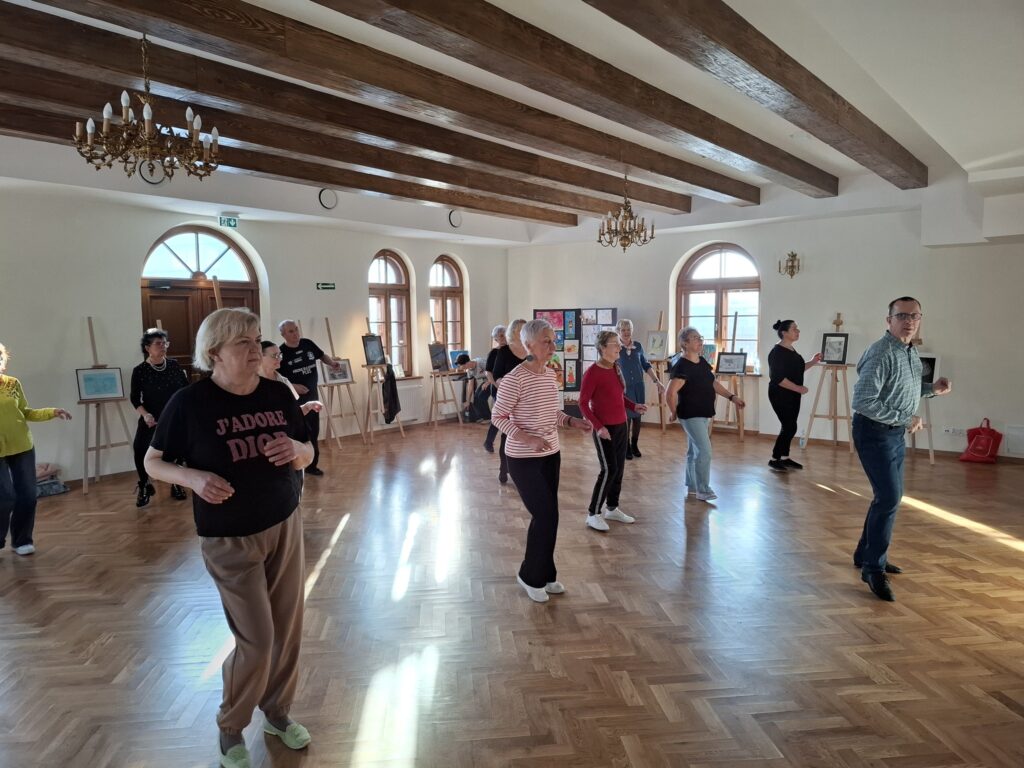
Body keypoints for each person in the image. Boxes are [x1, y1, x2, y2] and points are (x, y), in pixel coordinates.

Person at [144, 308, 314, 768]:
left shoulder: (277, 393)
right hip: (228, 537)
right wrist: (194, 478)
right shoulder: (190, 403)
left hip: (284, 523)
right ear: (214, 352)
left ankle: (277, 712)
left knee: (288, 631)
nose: (256, 350)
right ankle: (231, 725)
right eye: (244, 343)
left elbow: (307, 449)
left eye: (257, 340)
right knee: (257, 639)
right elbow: (152, 462)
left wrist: (298, 450)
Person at [851, 297, 952, 602]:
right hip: (874, 433)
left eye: (915, 316)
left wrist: (932, 390)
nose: (909, 321)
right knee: (889, 497)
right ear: (889, 320)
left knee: (886, 497)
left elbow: (903, 390)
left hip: (893, 433)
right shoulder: (881, 352)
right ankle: (873, 569)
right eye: (902, 316)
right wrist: (906, 419)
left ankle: (865, 555)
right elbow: (863, 402)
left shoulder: (909, 350)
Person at [491, 319, 592, 603]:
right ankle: (529, 576)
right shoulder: (514, 378)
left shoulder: (549, 374)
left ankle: (546, 574)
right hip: (523, 459)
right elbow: (497, 417)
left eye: (553, 340)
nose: (553, 345)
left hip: (551, 454)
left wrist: (571, 421)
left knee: (551, 516)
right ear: (528, 345)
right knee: (545, 515)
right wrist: (527, 438)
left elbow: (552, 413)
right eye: (546, 341)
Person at [0, 342, 71, 556]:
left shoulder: (13, 384)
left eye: (0, 358)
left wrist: (52, 412)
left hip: (22, 446)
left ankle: (21, 540)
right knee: (5, 497)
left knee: (28, 495)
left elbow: (26, 412)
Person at [664, 327, 745, 502]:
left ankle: (693, 486)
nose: (700, 340)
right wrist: (673, 411)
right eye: (695, 338)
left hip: (703, 412)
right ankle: (703, 489)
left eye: (700, 337)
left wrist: (732, 397)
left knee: (694, 451)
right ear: (685, 343)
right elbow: (670, 393)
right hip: (690, 414)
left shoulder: (701, 362)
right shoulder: (682, 366)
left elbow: (713, 383)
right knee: (705, 450)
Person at [580, 330, 647, 532]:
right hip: (605, 429)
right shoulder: (592, 372)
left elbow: (617, 396)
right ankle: (593, 514)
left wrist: (633, 406)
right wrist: (599, 427)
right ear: (602, 348)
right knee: (609, 469)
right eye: (615, 344)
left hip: (621, 425)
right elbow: (583, 403)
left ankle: (612, 508)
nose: (619, 347)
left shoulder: (615, 368)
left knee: (619, 469)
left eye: (619, 343)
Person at [129, 328, 190, 507]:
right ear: (147, 348)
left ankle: (176, 483)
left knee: (176, 450)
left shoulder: (174, 365)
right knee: (140, 449)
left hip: (174, 416)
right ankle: (144, 485)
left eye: (165, 343)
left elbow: (185, 389)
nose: (163, 346)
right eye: (158, 343)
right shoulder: (140, 370)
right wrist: (145, 415)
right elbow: (135, 398)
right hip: (152, 417)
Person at [277, 320, 342, 476]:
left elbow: (322, 355)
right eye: (291, 331)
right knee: (297, 432)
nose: (295, 334)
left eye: (296, 329)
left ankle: (312, 466)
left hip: (312, 398)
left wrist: (332, 363)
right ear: (283, 334)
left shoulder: (307, 344)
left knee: (313, 432)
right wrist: (293, 386)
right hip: (294, 401)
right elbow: (277, 378)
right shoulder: (281, 352)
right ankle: (296, 466)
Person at [766, 320, 822, 472]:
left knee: (790, 426)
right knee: (789, 426)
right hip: (780, 394)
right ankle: (774, 459)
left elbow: (798, 369)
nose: (798, 331)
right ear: (784, 333)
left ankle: (784, 457)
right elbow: (778, 378)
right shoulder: (777, 352)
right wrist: (798, 388)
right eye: (794, 329)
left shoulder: (791, 349)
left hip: (792, 394)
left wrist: (813, 361)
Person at [616, 319, 664, 459]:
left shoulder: (638, 346)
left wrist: (657, 381)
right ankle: (626, 446)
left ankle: (634, 444)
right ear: (618, 331)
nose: (626, 332)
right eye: (623, 330)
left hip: (638, 387)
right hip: (624, 389)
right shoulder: (616, 347)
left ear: (632, 330)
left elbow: (646, 365)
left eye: (628, 329)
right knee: (626, 418)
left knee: (637, 417)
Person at [489, 318, 528, 484]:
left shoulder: (530, 351)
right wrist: (509, 390)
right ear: (513, 332)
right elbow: (497, 375)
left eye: (525, 329)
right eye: (520, 330)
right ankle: (503, 468)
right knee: (508, 436)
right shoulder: (504, 351)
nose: (524, 332)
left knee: (526, 435)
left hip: (527, 401)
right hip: (509, 400)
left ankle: (521, 470)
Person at [260, 341, 323, 417]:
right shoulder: (251, 382)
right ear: (260, 357)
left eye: (280, 355)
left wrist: (307, 406)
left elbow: (293, 413)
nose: (279, 359)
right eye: (275, 355)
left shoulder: (284, 381)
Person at [482, 324, 507, 452]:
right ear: (496, 339)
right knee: (501, 415)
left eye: (504, 335)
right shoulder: (494, 353)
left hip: (511, 387)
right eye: (500, 336)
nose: (503, 338)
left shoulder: (512, 350)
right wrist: (496, 385)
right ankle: (489, 441)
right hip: (498, 388)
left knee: (508, 415)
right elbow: (488, 372)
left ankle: (506, 442)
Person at [455, 353, 490, 423]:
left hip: (495, 380)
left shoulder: (481, 363)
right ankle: (481, 417)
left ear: (466, 363)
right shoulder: (469, 371)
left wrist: (488, 382)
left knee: (481, 396)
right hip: (486, 381)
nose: (459, 367)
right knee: (476, 396)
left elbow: (495, 371)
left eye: (460, 365)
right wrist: (468, 401)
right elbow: (470, 385)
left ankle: (488, 418)